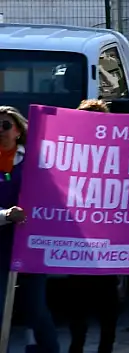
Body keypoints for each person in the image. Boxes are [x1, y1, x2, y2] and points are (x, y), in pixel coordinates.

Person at [0, 106, 60, 353]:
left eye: (5, 126)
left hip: (30, 245)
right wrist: (6, 215)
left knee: (36, 309)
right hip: (1, 246)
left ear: (17, 131)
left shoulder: (35, 160)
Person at [65, 101, 123, 353]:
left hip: (108, 243)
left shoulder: (121, 152)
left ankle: (105, 347)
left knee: (108, 303)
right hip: (77, 240)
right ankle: (76, 345)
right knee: (76, 302)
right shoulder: (67, 151)